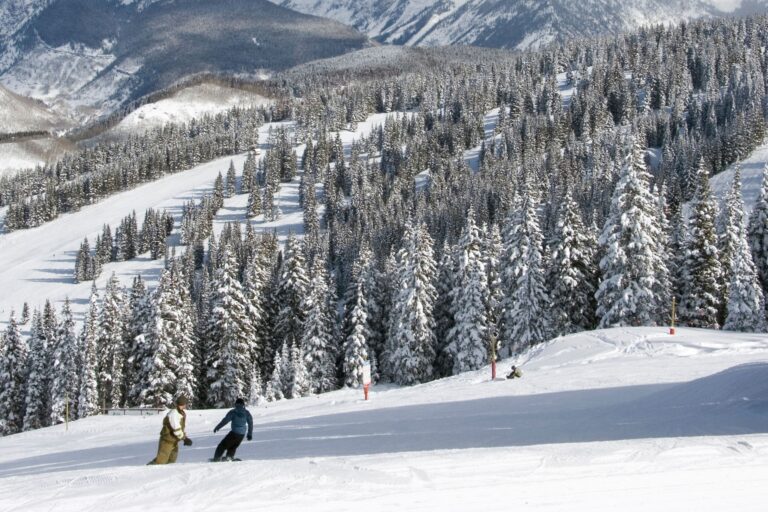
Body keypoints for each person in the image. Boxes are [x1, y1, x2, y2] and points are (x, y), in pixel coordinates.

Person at [148, 395, 193, 465]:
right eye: (185, 404)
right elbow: (176, 428)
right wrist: (184, 438)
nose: (186, 405)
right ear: (182, 404)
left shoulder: (181, 412)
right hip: (167, 441)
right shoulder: (174, 413)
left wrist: (184, 436)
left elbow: (181, 428)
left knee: (171, 461)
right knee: (161, 461)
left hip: (174, 441)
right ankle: (147, 470)